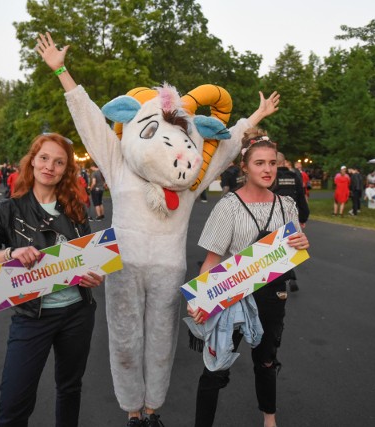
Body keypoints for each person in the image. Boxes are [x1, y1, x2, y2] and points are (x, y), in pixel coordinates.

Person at [36, 31, 281, 427]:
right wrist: (62, 71)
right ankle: (133, 410)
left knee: (161, 342)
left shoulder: (189, 186)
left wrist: (254, 118)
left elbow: (226, 149)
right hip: (124, 267)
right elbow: (92, 124)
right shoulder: (119, 167)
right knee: (125, 340)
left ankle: (152, 409)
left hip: (167, 270)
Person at [0, 133, 104, 427]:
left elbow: (90, 260)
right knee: (14, 403)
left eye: (59, 162)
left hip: (78, 314)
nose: (49, 167)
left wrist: (94, 275)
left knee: (69, 388)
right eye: (44, 158)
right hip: (32, 317)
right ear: (32, 161)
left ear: (67, 170)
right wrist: (11, 253)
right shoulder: (8, 210)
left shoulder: (76, 210)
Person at [187, 130, 309, 427]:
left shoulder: (286, 206)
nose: (267, 169)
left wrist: (302, 243)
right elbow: (212, 260)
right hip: (232, 298)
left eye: (272, 163)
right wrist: (200, 300)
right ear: (245, 167)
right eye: (259, 163)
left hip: (272, 295)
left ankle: (270, 420)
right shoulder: (228, 206)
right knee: (215, 368)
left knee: (266, 361)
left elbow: (291, 250)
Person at [272, 151, 309, 292]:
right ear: (284, 162)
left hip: (274, 217)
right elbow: (301, 197)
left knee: (275, 251)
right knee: (288, 247)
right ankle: (290, 276)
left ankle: (282, 279)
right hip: (291, 219)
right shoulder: (295, 177)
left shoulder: (272, 177)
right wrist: (303, 217)